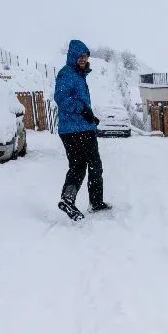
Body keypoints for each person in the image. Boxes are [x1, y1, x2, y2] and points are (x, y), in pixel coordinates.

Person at [54, 39, 110, 221]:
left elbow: (77, 102)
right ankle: (96, 202)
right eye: (80, 56)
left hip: (76, 128)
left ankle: (68, 199)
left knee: (78, 165)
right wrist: (82, 109)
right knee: (94, 164)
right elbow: (61, 98)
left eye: (85, 56)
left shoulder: (77, 75)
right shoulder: (67, 74)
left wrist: (90, 117)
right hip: (76, 130)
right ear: (72, 57)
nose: (83, 59)